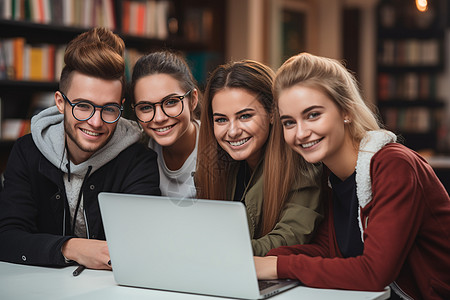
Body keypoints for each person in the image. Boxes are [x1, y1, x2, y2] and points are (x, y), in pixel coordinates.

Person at [254, 52, 450, 300]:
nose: (301, 133)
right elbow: (327, 250)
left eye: (313, 114)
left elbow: (373, 272)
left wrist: (275, 266)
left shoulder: (395, 166)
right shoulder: (330, 175)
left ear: (346, 111)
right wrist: (262, 259)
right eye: (289, 122)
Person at [0, 27, 160, 270]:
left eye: (108, 109)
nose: (95, 122)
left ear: (121, 107)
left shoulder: (139, 160)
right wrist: (71, 247)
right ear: (60, 102)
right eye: (83, 106)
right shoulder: (27, 151)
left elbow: (139, 247)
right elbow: (7, 238)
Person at [195, 60, 323, 256]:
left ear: (272, 113)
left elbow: (287, 241)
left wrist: (215, 251)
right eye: (221, 119)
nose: (232, 131)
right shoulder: (217, 166)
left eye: (245, 116)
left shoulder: (302, 166)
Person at [130, 51, 200, 198]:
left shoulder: (220, 147)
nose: (159, 118)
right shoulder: (136, 154)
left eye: (171, 102)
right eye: (146, 107)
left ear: (193, 100)